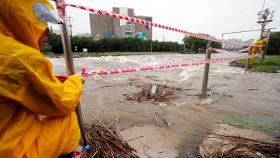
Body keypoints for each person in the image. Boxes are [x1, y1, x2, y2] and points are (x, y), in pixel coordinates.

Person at [0, 0, 84, 157]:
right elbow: (61, 102)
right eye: (42, 21)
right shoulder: (23, 58)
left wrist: (48, 80)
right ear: (20, 20)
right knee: (67, 117)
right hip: (10, 151)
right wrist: (76, 81)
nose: (48, 32)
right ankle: (75, 153)